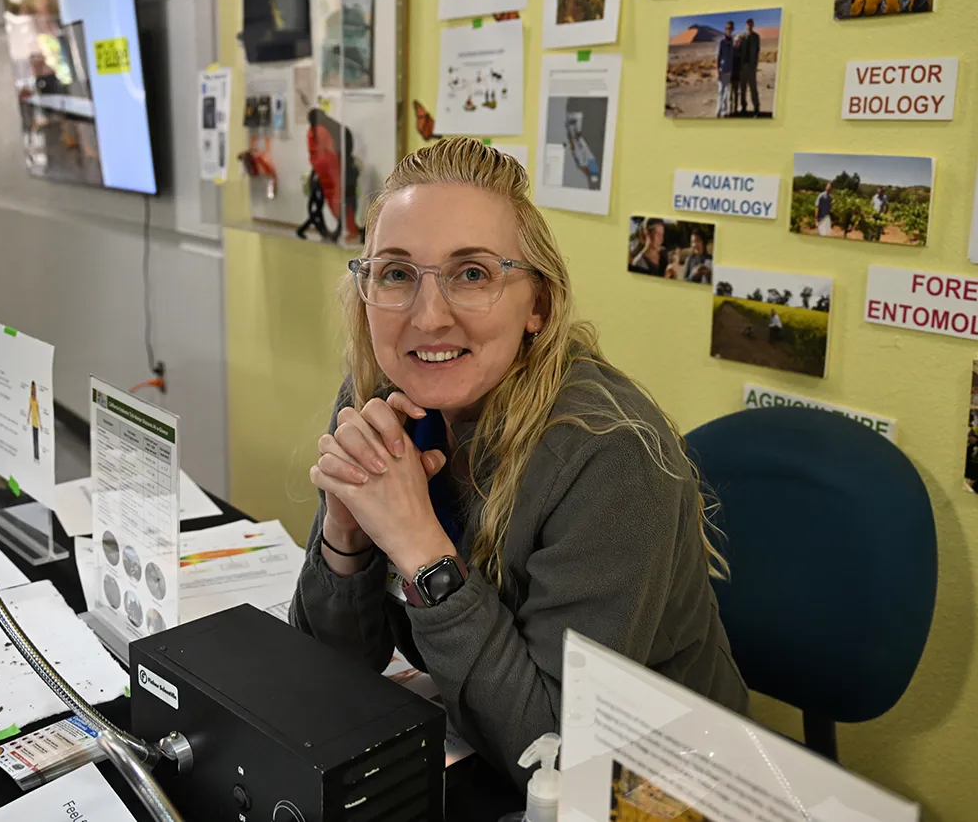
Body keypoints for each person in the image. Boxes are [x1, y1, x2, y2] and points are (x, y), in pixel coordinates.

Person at [290, 138, 748, 789]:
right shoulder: (382, 393)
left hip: (655, 781)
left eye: (472, 273)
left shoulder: (609, 454)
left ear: (538, 303)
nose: (428, 316)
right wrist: (345, 536)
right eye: (395, 273)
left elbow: (554, 756)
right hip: (482, 741)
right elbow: (329, 668)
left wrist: (420, 548)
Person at [739, 18, 761, 116]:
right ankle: (744, 107)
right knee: (743, 88)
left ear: (753, 25)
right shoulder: (742, 36)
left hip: (751, 66)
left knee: (753, 88)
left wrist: (755, 64)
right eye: (748, 24)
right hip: (743, 66)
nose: (749, 26)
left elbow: (757, 51)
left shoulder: (756, 37)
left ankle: (756, 108)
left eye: (751, 24)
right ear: (746, 26)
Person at [716, 21, 735, 118]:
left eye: (731, 28)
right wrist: (717, 71)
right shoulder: (721, 41)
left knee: (726, 92)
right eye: (728, 28)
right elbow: (718, 57)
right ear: (725, 29)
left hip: (729, 70)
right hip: (722, 70)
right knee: (721, 91)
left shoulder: (731, 41)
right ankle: (718, 111)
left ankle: (723, 111)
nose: (729, 30)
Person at [26, 381, 41, 463]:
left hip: (37, 422)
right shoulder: (31, 399)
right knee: (34, 440)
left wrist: (41, 423)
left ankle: (37, 457)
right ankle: (35, 457)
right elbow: (30, 408)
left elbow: (38, 411)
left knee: (37, 440)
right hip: (33, 421)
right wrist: (28, 417)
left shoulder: (36, 400)